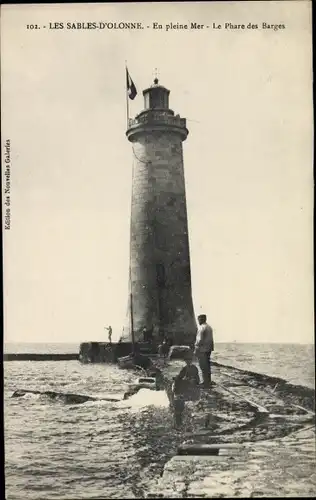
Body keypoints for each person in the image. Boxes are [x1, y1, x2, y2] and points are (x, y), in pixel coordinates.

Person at [171, 349, 200, 428]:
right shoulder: (184, 368)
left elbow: (197, 380)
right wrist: (177, 378)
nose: (188, 361)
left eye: (189, 360)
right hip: (187, 387)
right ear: (185, 361)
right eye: (187, 360)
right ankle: (179, 421)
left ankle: (180, 421)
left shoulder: (194, 368)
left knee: (179, 401)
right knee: (178, 386)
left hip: (191, 389)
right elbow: (179, 377)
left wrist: (191, 381)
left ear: (191, 360)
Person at [194, 314, 214, 388]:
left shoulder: (201, 328)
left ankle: (205, 382)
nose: (198, 321)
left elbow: (199, 340)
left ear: (201, 319)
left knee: (203, 366)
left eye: (199, 319)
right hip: (208, 349)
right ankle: (208, 381)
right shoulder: (209, 327)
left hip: (202, 350)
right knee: (208, 366)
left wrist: (196, 348)